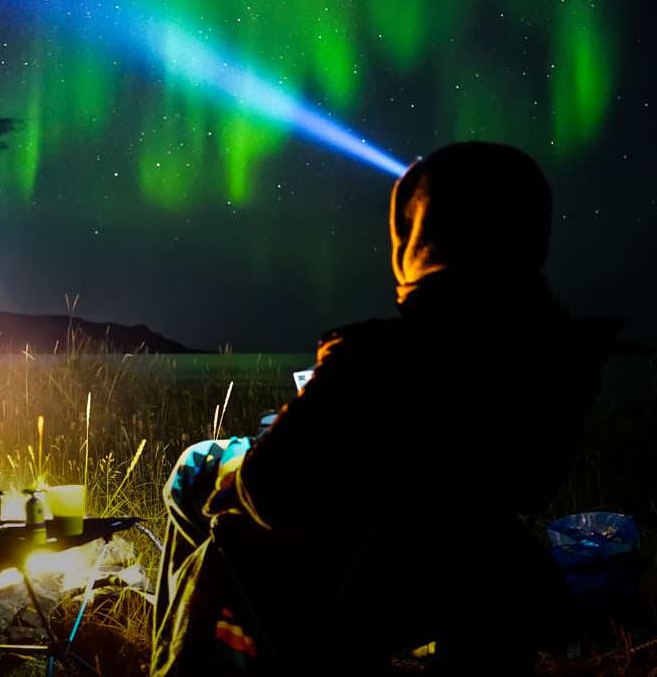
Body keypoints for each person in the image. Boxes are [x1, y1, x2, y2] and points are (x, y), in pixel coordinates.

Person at [153, 142, 618, 675]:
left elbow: (271, 492)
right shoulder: (559, 355)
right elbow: (521, 480)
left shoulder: (378, 356)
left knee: (197, 466)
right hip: (470, 574)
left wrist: (251, 459)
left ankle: (189, 653)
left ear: (420, 233)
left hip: (354, 583)